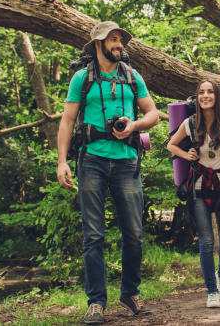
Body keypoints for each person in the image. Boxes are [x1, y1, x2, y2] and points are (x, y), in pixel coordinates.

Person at [57, 21, 160, 325]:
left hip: (127, 161)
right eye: (112, 40)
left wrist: (135, 125)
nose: (119, 44)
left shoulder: (132, 76)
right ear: (98, 45)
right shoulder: (82, 78)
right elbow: (66, 121)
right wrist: (62, 161)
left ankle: (130, 293)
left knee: (135, 233)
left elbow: (153, 113)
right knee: (93, 235)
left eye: (120, 40)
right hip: (92, 162)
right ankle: (95, 303)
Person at [167, 80, 220, 309]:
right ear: (197, 98)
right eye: (201, 92)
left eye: (210, 92)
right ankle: (211, 291)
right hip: (200, 187)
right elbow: (171, 145)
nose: (205, 95)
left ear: (217, 96)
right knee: (206, 240)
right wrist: (186, 154)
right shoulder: (190, 123)